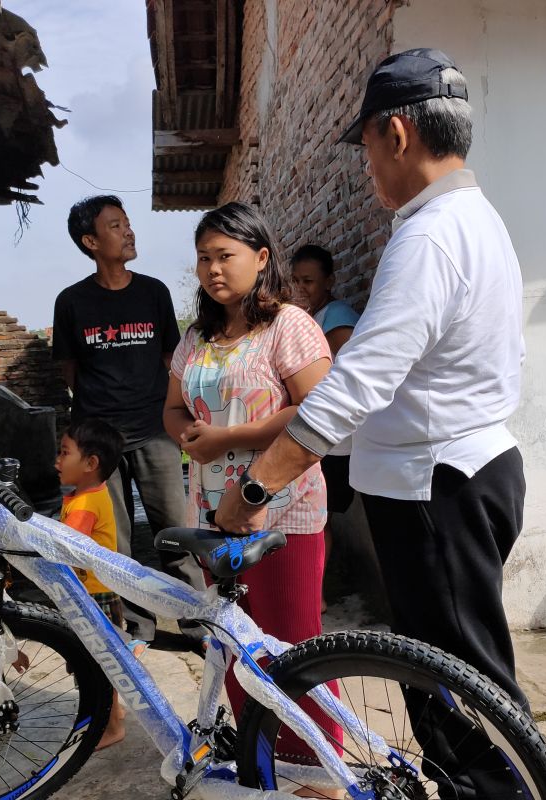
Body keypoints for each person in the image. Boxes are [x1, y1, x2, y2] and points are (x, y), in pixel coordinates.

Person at [216, 49, 528, 797]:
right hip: (461, 474)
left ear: (395, 134)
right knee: (452, 678)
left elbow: (355, 385)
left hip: (436, 489)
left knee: (460, 695)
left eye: (364, 148)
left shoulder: (428, 237)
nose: (366, 168)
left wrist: (254, 492)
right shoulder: (474, 220)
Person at [164, 202, 341, 767]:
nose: (214, 269)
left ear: (261, 258)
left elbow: (317, 406)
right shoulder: (196, 337)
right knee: (234, 642)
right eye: (203, 259)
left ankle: (319, 767)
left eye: (226, 256)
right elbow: (171, 407)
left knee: (293, 641)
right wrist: (188, 436)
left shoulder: (288, 325)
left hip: (285, 508)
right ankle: (260, 758)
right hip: (214, 512)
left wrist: (228, 437)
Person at [53, 195, 206, 645]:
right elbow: (69, 371)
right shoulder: (72, 302)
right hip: (99, 441)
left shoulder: (153, 292)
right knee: (114, 543)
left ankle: (199, 622)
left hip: (154, 430)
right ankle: (137, 627)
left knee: (176, 533)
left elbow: (170, 360)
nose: (128, 231)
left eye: (126, 223)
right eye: (115, 225)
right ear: (90, 241)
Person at [55, 417, 135, 749]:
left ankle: (111, 725)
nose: (56, 462)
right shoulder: (85, 494)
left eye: (63, 453)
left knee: (98, 664)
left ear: (91, 463)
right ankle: (111, 713)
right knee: (100, 660)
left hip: (93, 598)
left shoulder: (85, 504)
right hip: (95, 594)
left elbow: (65, 546)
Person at [290, 245, 362, 605]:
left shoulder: (336, 315)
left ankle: (314, 596)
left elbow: (344, 376)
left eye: (310, 281)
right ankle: (312, 593)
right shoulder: (314, 315)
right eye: (297, 280)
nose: (302, 288)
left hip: (332, 440)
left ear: (330, 281)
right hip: (318, 436)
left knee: (318, 520)